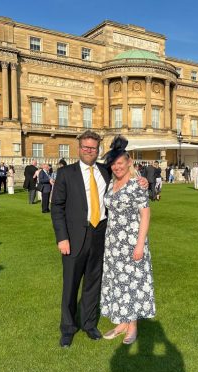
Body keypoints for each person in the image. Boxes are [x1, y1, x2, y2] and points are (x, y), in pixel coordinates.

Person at [51, 130, 147, 348]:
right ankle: (67, 329)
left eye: (92, 148)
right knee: (70, 285)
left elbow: (125, 178)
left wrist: (142, 181)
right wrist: (62, 238)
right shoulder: (66, 173)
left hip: (101, 236)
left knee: (93, 285)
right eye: (85, 147)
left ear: (98, 150)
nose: (88, 151)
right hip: (74, 238)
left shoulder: (105, 171)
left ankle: (88, 324)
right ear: (79, 148)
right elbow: (57, 207)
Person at [100, 135, 155, 345]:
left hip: (132, 242)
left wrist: (140, 244)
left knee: (132, 283)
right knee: (117, 282)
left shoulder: (136, 185)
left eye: (120, 163)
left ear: (129, 162)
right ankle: (122, 322)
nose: (116, 167)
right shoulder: (111, 185)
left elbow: (146, 214)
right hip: (113, 243)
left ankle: (132, 326)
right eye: (114, 164)